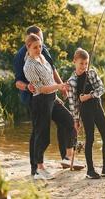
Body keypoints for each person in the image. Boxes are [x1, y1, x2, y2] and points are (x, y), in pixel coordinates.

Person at [13, 26, 84, 177]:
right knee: (40, 134)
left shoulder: (42, 54)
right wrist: (29, 86)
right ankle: (37, 168)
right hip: (37, 100)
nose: (40, 47)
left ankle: (68, 157)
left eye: (41, 44)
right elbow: (24, 83)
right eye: (36, 46)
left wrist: (60, 88)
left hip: (52, 97)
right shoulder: (25, 62)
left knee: (68, 121)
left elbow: (51, 70)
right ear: (28, 46)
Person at [67, 48, 105, 179]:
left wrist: (89, 96)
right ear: (74, 61)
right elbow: (73, 103)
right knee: (90, 139)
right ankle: (90, 170)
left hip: (97, 106)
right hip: (85, 112)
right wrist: (76, 120)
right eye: (81, 63)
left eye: (86, 63)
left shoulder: (91, 73)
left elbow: (101, 88)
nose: (84, 66)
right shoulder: (71, 82)